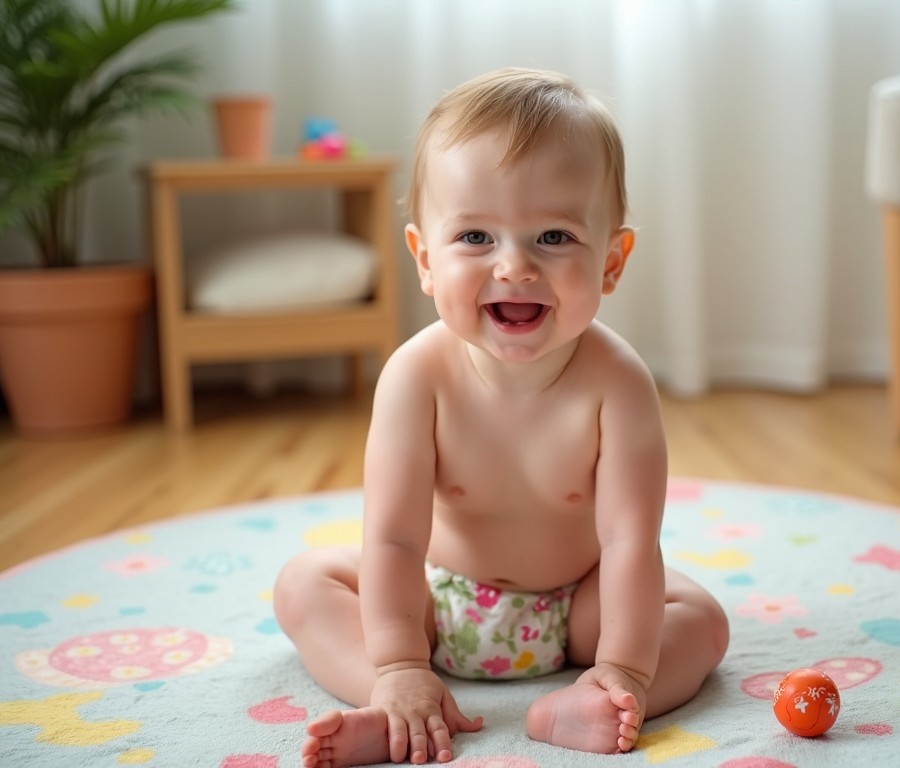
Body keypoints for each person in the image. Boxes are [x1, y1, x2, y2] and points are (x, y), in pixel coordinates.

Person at [273, 67, 729, 768]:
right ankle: (399, 700)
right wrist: (396, 660)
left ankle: (592, 700)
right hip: (435, 602)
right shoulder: (414, 376)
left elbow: (632, 544)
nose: (514, 266)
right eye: (476, 238)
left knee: (701, 623)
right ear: (425, 260)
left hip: (580, 610)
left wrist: (626, 668)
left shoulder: (620, 385)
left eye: (553, 236)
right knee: (305, 583)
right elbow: (393, 540)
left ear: (611, 261)